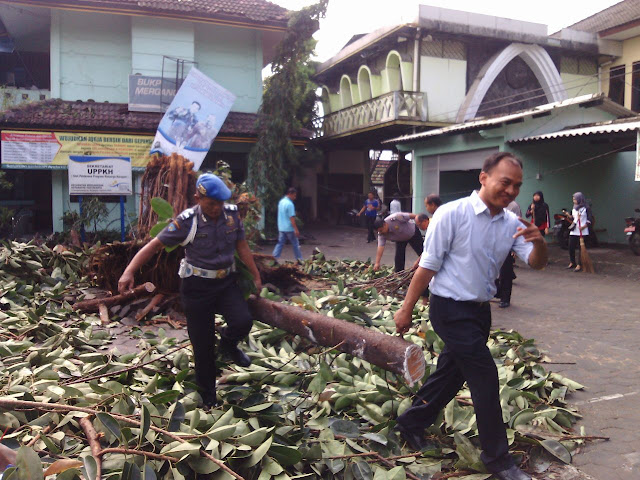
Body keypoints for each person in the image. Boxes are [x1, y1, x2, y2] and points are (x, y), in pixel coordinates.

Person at [393, 152, 547, 480]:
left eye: (517, 186)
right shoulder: (451, 214)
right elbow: (427, 266)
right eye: (505, 182)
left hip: (479, 313)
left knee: (451, 374)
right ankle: (498, 460)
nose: (510, 190)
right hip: (448, 309)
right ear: (484, 178)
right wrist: (405, 308)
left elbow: (535, 262)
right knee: (485, 376)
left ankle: (410, 422)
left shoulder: (512, 223)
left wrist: (541, 243)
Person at [117, 174, 262, 409]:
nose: (217, 208)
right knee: (202, 346)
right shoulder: (187, 221)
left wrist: (255, 274)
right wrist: (129, 271)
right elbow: (154, 245)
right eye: (211, 203)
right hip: (197, 287)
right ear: (198, 198)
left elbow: (242, 245)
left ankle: (227, 344)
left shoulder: (232, 215)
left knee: (243, 321)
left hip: (226, 283)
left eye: (220, 203)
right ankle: (208, 398)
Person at [495, 200, 522, 308]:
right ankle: (498, 293)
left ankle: (505, 299)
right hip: (491, 244)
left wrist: (514, 249)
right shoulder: (490, 204)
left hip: (506, 243)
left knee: (506, 273)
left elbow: (517, 227)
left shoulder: (513, 206)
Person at [273, 187, 303, 263]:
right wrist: (296, 229)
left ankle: (274, 259)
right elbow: (291, 218)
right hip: (289, 228)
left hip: (281, 227)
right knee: (295, 244)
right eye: (294, 195)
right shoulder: (290, 204)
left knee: (280, 244)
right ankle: (299, 260)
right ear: (290, 194)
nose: (295, 197)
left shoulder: (281, 202)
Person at [567, 191, 590, 272]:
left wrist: (584, 226)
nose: (574, 200)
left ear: (580, 199)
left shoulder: (586, 208)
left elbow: (589, 219)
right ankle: (572, 262)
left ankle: (579, 264)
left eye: (575, 199)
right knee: (571, 246)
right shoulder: (574, 208)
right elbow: (574, 219)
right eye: (573, 199)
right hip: (574, 230)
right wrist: (570, 217)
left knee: (581, 248)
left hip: (582, 231)